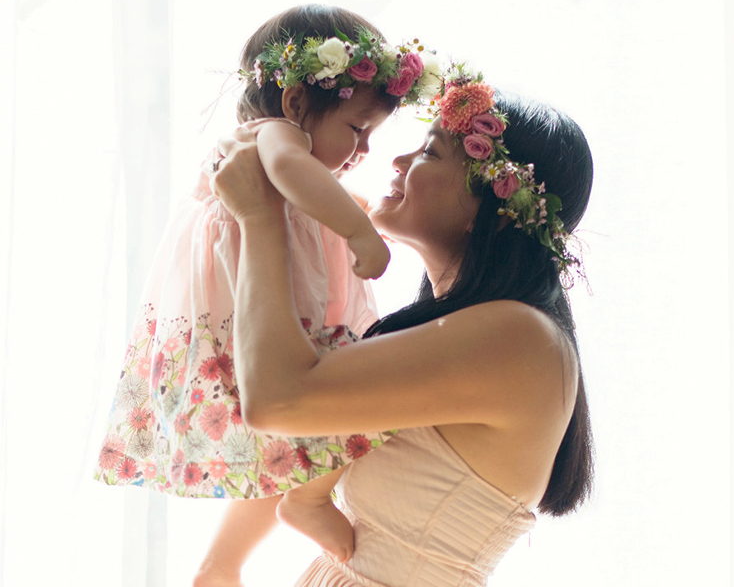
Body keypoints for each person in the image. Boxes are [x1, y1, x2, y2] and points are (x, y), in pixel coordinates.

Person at [93, 4, 438, 585]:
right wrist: (355, 231)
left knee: (282, 446)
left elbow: (307, 183)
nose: (367, 150)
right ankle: (300, 505)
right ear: (296, 103)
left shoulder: (282, 153)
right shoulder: (275, 139)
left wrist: (343, 209)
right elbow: (295, 172)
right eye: (357, 130)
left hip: (263, 302)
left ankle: (223, 563)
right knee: (340, 405)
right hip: (263, 304)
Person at [211, 64, 595, 585]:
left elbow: (279, 400)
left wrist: (261, 217)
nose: (396, 159)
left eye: (430, 152)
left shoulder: (518, 338)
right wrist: (220, 566)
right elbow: (311, 427)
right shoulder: (472, 330)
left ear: (494, 208)